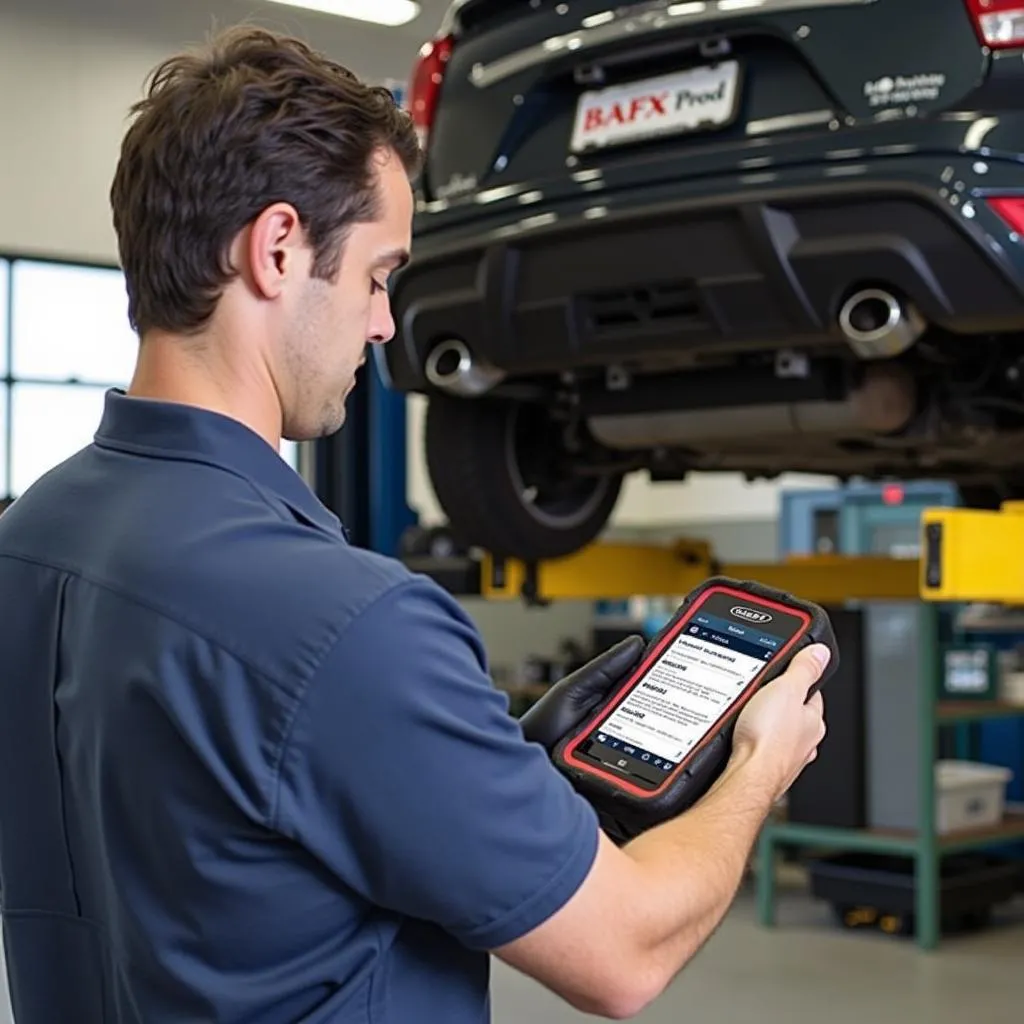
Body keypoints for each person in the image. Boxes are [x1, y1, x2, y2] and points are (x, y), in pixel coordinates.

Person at [0, 25, 828, 1024]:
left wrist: (488, 755)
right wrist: (758, 768)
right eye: (377, 275)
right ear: (275, 250)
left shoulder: (32, 538)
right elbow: (626, 949)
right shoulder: (349, 623)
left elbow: (222, 831)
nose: (386, 322)